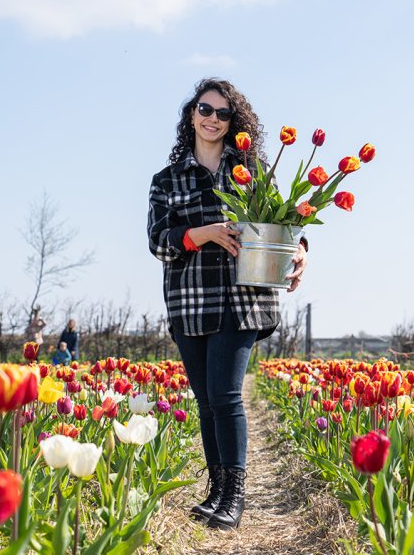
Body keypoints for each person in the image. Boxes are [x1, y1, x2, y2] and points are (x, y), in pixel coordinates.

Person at [147, 78, 307, 530]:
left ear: (234, 122)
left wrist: (302, 251)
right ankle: (216, 489)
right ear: (191, 115)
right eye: (205, 109)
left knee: (226, 395)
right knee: (204, 401)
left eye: (222, 113)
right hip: (190, 300)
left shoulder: (252, 174)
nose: (212, 119)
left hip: (243, 300)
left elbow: (285, 225)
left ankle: (235, 496)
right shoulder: (167, 180)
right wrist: (205, 234)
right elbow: (159, 242)